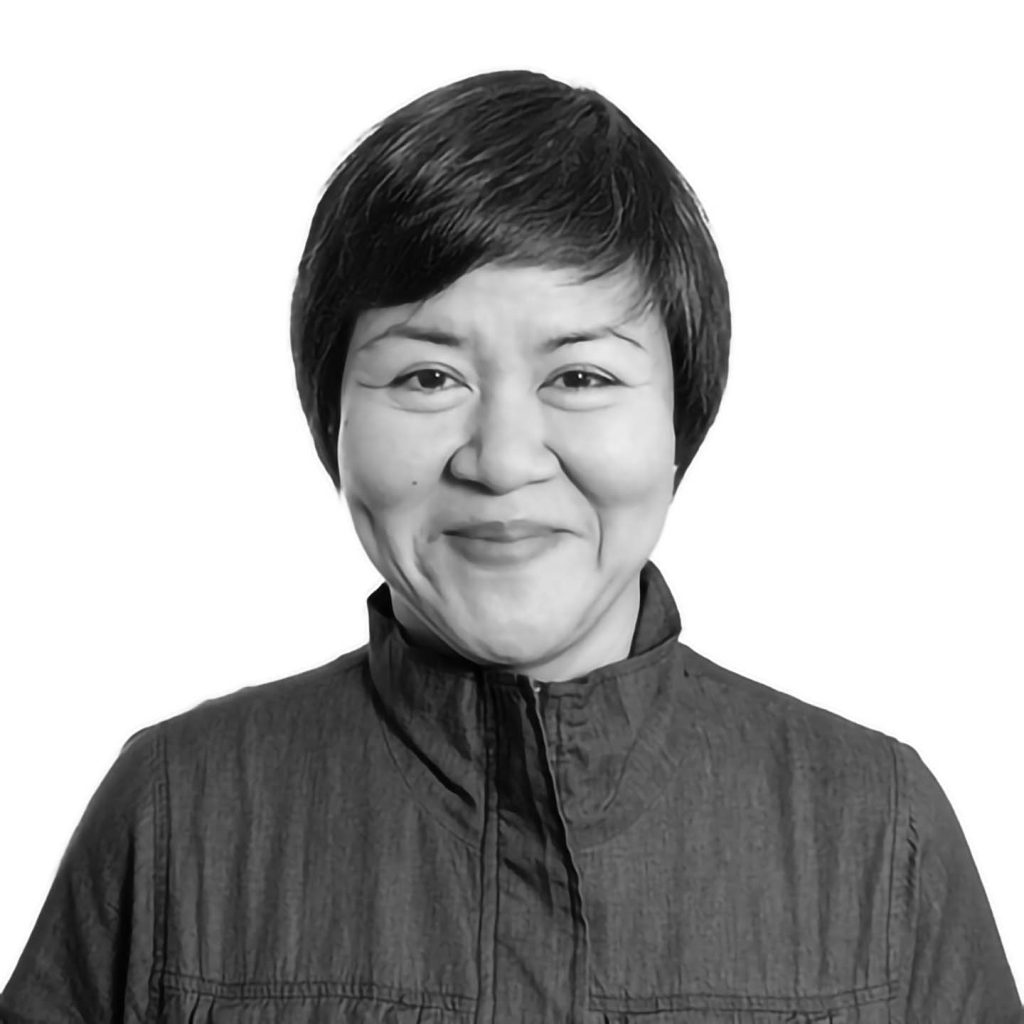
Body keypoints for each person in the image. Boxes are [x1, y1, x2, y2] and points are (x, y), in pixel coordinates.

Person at [1, 69, 1020, 1024]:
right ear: (333, 422)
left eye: (580, 377)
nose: (501, 459)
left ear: (680, 421)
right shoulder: (175, 813)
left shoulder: (878, 831)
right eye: (427, 377)